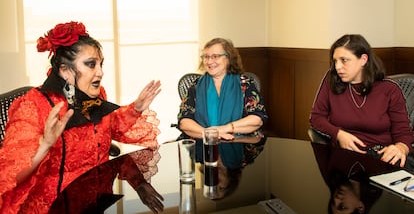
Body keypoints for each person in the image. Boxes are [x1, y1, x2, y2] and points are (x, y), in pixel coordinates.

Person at [0, 21, 162, 213]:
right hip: (54, 206)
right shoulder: (33, 105)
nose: (100, 72)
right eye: (91, 64)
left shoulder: (97, 94)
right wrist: (44, 144)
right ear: (65, 70)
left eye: (101, 64)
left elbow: (111, 126)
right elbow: (9, 177)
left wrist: (136, 108)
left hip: (97, 200)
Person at [310, 34, 414, 169]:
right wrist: (338, 134)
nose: (338, 67)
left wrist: (401, 147)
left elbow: (403, 131)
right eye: (335, 61)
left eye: (344, 60)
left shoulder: (390, 89)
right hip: (345, 158)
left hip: (382, 156)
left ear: (363, 59)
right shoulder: (331, 80)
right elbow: (316, 118)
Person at [177, 37, 267, 170]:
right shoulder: (196, 86)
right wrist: (209, 134)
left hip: (240, 143)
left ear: (229, 58)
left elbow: (257, 119)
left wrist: (221, 130)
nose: (209, 61)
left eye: (215, 56)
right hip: (202, 146)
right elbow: (184, 121)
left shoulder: (245, 84)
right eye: (206, 57)